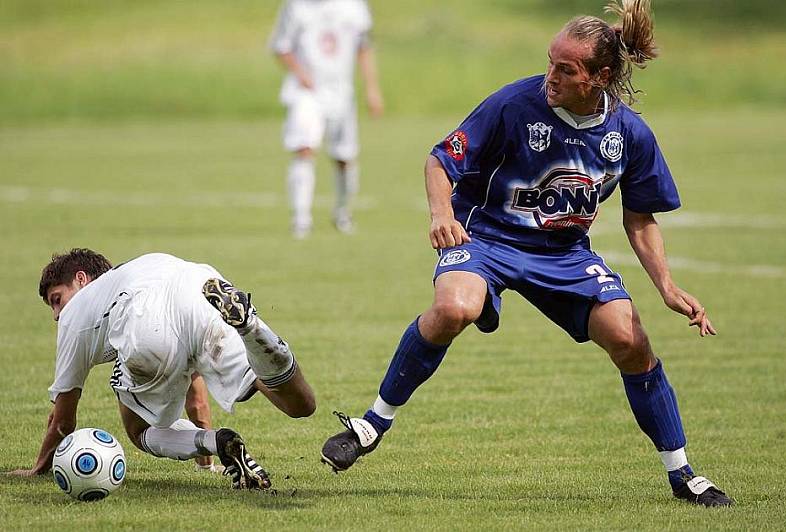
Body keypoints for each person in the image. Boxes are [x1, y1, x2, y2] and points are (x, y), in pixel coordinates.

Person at [321, 0, 733, 507]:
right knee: (454, 308)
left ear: (600, 77)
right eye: (550, 62)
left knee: (630, 340)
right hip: (487, 238)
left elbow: (640, 218)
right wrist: (441, 215)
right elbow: (440, 160)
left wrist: (667, 287)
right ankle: (371, 425)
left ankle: (684, 474)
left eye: (566, 69)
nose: (550, 77)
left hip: (563, 254)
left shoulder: (629, 134)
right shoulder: (515, 105)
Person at [9, 249, 315, 489]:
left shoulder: (77, 314)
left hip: (146, 321)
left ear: (81, 279)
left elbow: (63, 420)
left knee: (138, 429)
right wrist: (207, 463)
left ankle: (215, 439)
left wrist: (38, 468)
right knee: (300, 405)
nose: (56, 315)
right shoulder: (136, 273)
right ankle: (250, 328)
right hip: (200, 287)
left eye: (56, 300)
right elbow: (194, 395)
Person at [269, 0, 384, 238]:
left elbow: (364, 48)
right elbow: (281, 47)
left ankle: (342, 213)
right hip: (307, 92)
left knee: (344, 156)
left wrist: (372, 89)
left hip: (341, 93)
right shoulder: (296, 7)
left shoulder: (354, 7)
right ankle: (301, 219)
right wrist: (302, 75)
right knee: (304, 148)